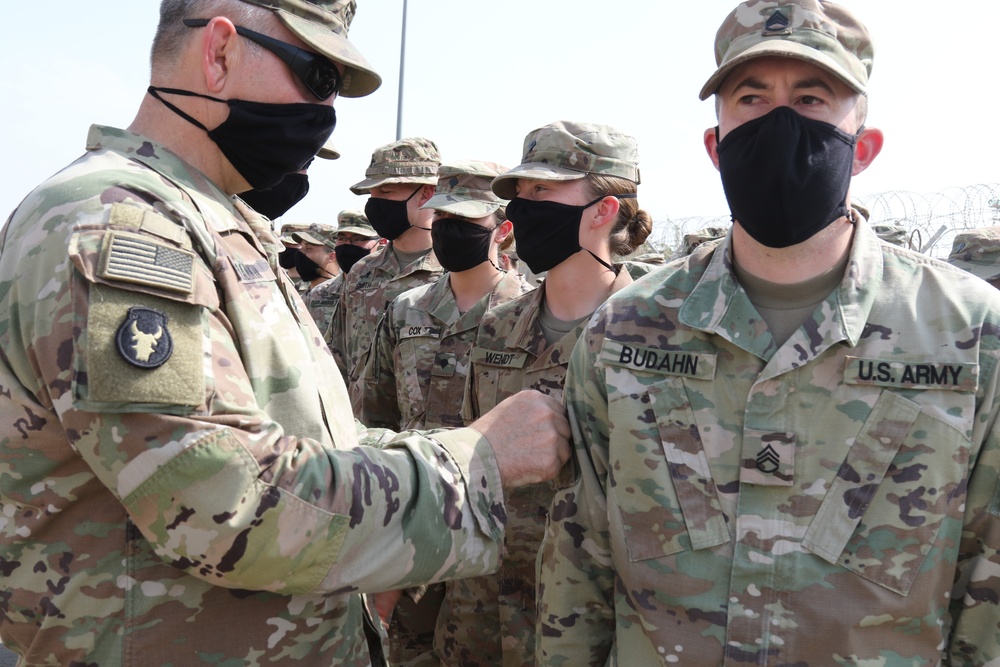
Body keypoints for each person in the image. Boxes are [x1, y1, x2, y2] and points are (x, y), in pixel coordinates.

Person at [0, 1, 571, 665]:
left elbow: (312, 441)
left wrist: (457, 444)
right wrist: (474, 462)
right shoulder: (123, 224)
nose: (325, 112)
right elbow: (226, 502)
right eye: (316, 76)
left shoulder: (209, 221)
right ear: (219, 52)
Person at [537, 1, 1000, 664]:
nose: (780, 120)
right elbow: (579, 566)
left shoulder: (971, 335)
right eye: (751, 98)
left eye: (811, 98)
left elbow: (989, 587)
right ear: (715, 144)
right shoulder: (626, 329)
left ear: (863, 148)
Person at [436, 121, 651, 667]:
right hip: (480, 608)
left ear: (603, 209)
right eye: (519, 195)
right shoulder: (497, 326)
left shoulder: (650, 338)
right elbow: (472, 457)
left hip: (586, 625)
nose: (523, 210)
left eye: (543, 192)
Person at [359, 161, 532, 666]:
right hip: (415, 516)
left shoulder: (526, 313)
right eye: (441, 220)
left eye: (465, 224)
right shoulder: (406, 308)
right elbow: (378, 414)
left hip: (496, 531)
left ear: (503, 230)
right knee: (405, 652)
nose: (448, 232)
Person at [329, 137, 444, 390]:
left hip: (428, 428)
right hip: (362, 426)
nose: (374, 203)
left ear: (426, 193)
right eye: (371, 194)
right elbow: (336, 357)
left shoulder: (453, 272)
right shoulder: (362, 272)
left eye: (385, 192)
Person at [311, 210, 382, 366]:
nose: (347, 245)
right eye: (341, 238)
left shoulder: (386, 291)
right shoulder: (319, 294)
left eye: (358, 239)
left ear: (380, 243)